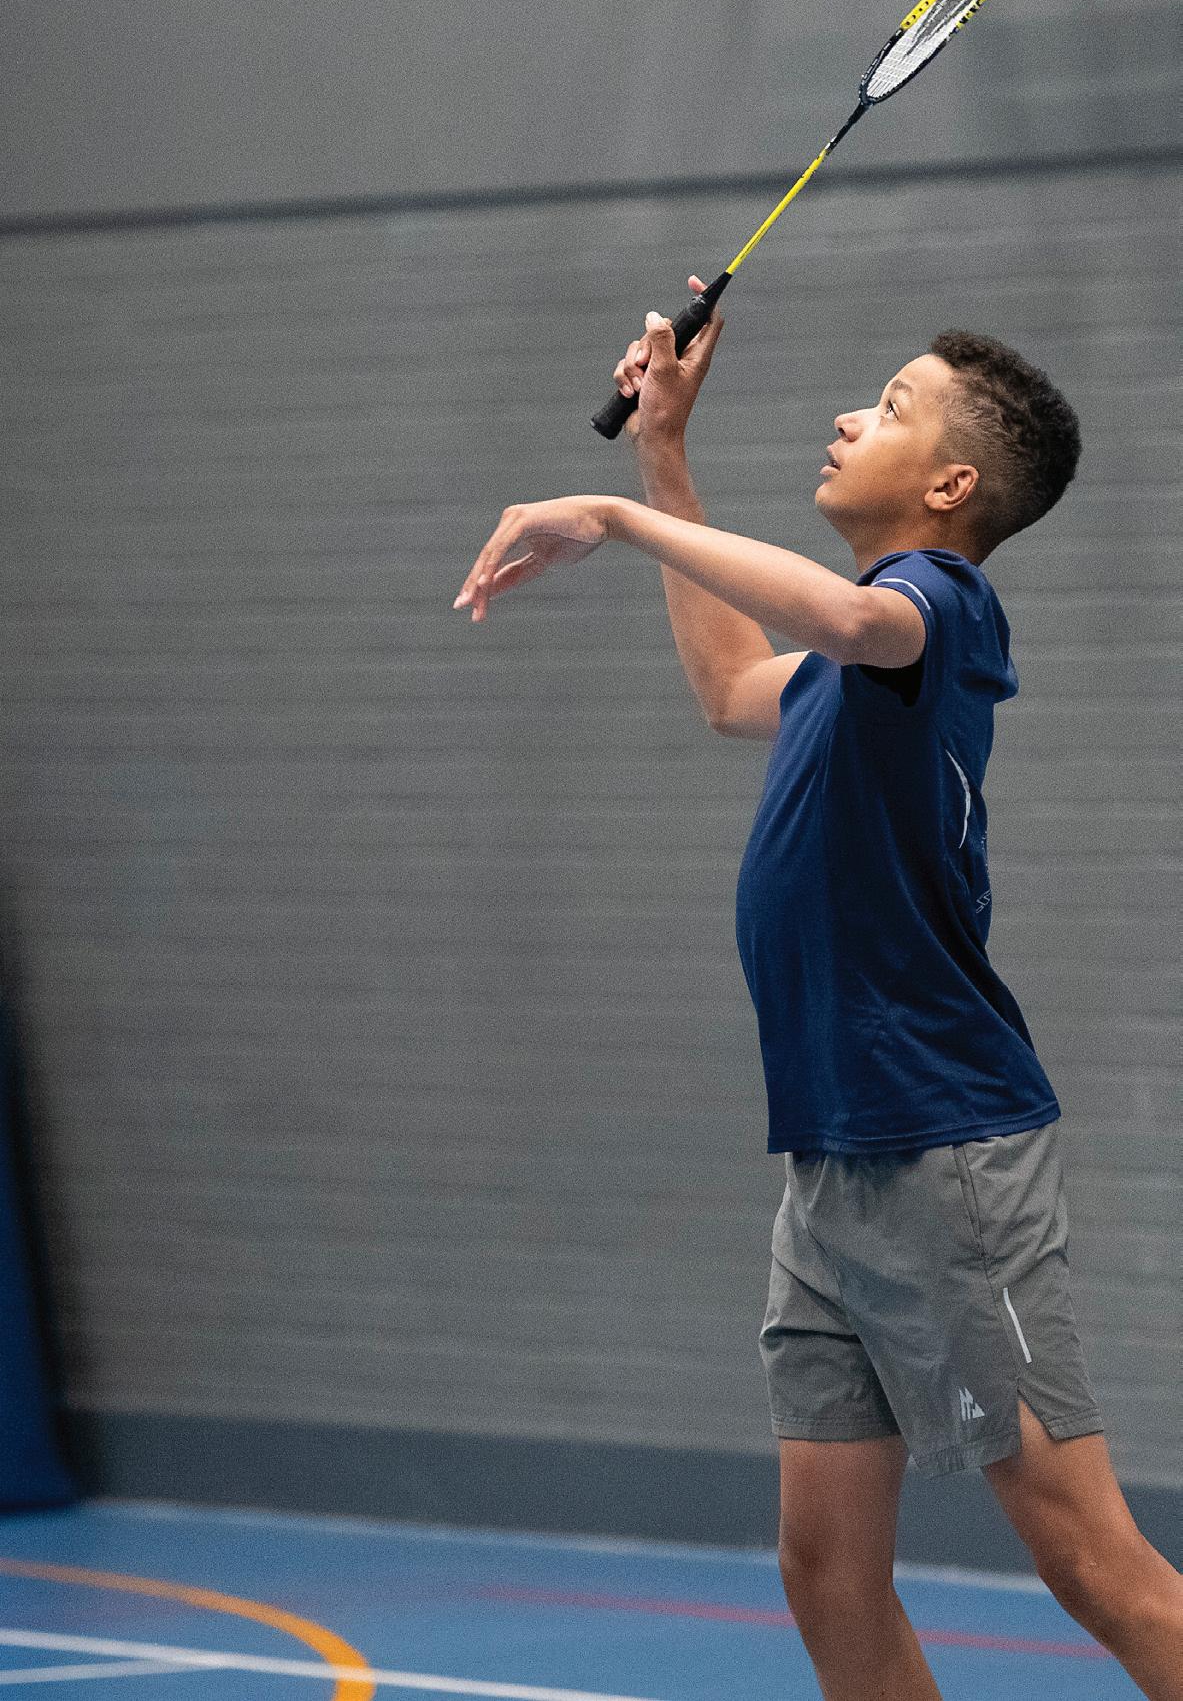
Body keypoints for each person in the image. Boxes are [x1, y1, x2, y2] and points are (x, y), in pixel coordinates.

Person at [452, 277, 1182, 1700]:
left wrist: (609, 518)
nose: (851, 417)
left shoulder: (941, 609)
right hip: (835, 1162)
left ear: (952, 485)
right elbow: (733, 683)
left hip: (946, 1153)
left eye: (891, 407)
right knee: (827, 1570)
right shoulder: (849, 675)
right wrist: (663, 453)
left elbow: (850, 622)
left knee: (1094, 1566)